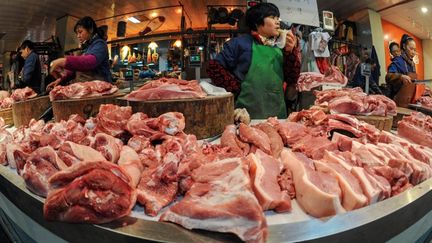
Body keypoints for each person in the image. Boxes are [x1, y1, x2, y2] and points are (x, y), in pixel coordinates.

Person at [207, 2, 300, 119]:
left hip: (277, 115)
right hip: (245, 115)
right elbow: (213, 67)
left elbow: (292, 78)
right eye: (272, 17)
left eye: (278, 18)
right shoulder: (239, 44)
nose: (278, 22)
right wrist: (236, 88)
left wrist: (290, 52)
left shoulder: (280, 46)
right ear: (257, 22)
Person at [47, 16, 112, 90]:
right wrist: (60, 80)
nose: (78, 36)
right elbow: (74, 71)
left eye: (80, 32)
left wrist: (63, 61)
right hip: (88, 89)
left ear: (90, 30)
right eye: (77, 33)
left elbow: (90, 62)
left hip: (101, 89)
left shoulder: (100, 44)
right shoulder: (87, 47)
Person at [385, 34, 417, 100]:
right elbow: (388, 77)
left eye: (414, 50)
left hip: (408, 99)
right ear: (404, 46)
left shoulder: (412, 64)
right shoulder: (398, 60)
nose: (413, 52)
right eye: (411, 49)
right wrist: (401, 76)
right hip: (397, 99)